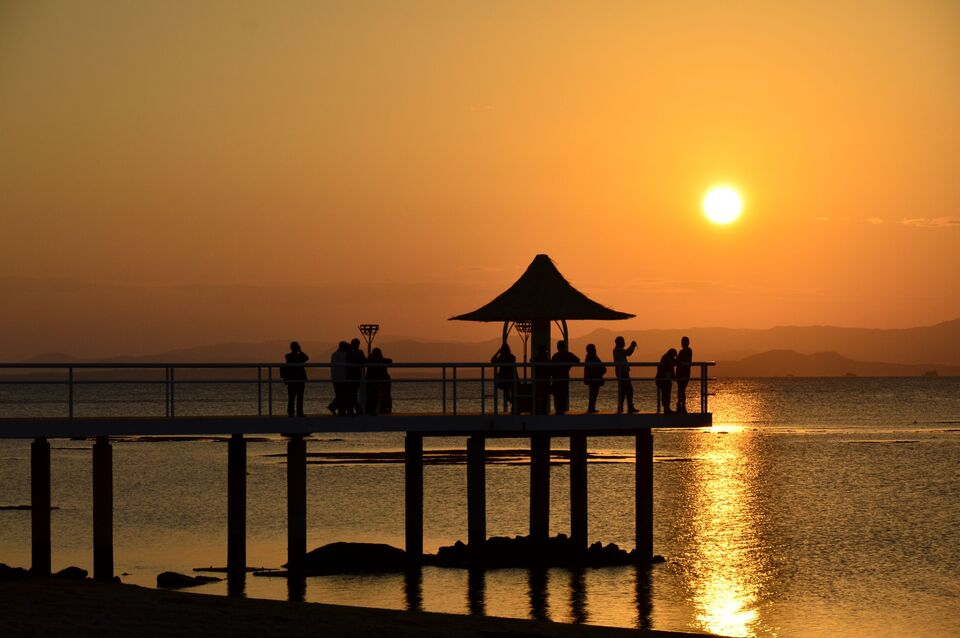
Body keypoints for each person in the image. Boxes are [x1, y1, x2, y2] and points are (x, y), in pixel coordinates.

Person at [550, 340, 580, 415]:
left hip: (556, 378)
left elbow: (551, 368)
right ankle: (562, 410)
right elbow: (577, 360)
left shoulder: (555, 356)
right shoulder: (568, 355)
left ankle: (558, 410)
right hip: (564, 377)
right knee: (563, 394)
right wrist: (569, 365)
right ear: (564, 347)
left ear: (558, 347)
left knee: (557, 395)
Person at [281, 341, 309, 417]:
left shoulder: (288, 356)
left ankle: (291, 412)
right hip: (299, 379)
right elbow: (306, 358)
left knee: (291, 397)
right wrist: (300, 351)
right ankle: (299, 412)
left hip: (291, 379)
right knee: (299, 397)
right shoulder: (299, 357)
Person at [613, 336, 639, 413]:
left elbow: (626, 352)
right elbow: (628, 353)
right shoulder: (618, 350)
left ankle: (621, 407)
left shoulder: (616, 350)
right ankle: (629, 407)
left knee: (623, 391)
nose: (624, 343)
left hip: (621, 372)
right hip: (623, 372)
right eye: (623, 341)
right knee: (629, 390)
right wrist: (632, 346)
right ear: (620, 342)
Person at [365, 347, 392, 416]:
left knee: (373, 395)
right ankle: (386, 408)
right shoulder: (382, 360)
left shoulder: (371, 361)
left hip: (375, 380)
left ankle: (371, 409)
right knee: (385, 395)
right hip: (384, 380)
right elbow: (390, 360)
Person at [491, 343, 517, 411]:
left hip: (505, 379)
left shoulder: (502, 357)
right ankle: (515, 406)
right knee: (514, 395)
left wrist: (498, 352)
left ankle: (515, 405)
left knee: (507, 396)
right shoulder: (512, 357)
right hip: (513, 378)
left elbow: (492, 360)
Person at [582, 343, 606, 413]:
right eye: (594, 348)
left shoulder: (590, 357)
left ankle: (591, 407)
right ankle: (591, 408)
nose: (595, 350)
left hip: (593, 378)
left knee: (593, 393)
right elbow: (595, 368)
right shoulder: (592, 357)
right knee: (593, 393)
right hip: (594, 378)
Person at [328, 341, 350, 416]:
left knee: (339, 395)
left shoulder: (334, 354)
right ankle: (336, 408)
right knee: (342, 395)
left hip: (335, 378)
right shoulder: (343, 356)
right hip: (342, 378)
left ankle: (339, 410)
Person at [346, 338, 366, 415]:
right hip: (354, 375)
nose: (357, 346)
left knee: (352, 394)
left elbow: (364, 361)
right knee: (352, 394)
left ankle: (352, 410)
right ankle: (356, 410)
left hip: (352, 376)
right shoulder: (356, 353)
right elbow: (363, 361)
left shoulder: (349, 353)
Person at [530, 344, 552, 415]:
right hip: (545, 380)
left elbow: (531, 361)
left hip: (538, 380)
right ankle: (543, 410)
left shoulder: (537, 358)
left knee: (539, 396)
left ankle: (538, 410)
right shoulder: (546, 359)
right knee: (544, 396)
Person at [656, 348, 678, 414]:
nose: (674, 357)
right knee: (666, 393)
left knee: (665, 393)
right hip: (664, 379)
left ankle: (666, 408)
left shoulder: (664, 357)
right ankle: (666, 409)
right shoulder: (668, 359)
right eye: (674, 356)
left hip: (661, 378)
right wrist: (674, 377)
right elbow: (670, 369)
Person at [675, 336, 693, 413]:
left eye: (683, 342)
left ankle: (682, 405)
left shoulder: (688, 351)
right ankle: (680, 405)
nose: (682, 343)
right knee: (681, 389)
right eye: (682, 342)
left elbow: (680, 360)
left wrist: (679, 361)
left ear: (687, 343)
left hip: (684, 373)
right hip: (680, 373)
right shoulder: (682, 351)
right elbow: (678, 361)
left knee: (681, 389)